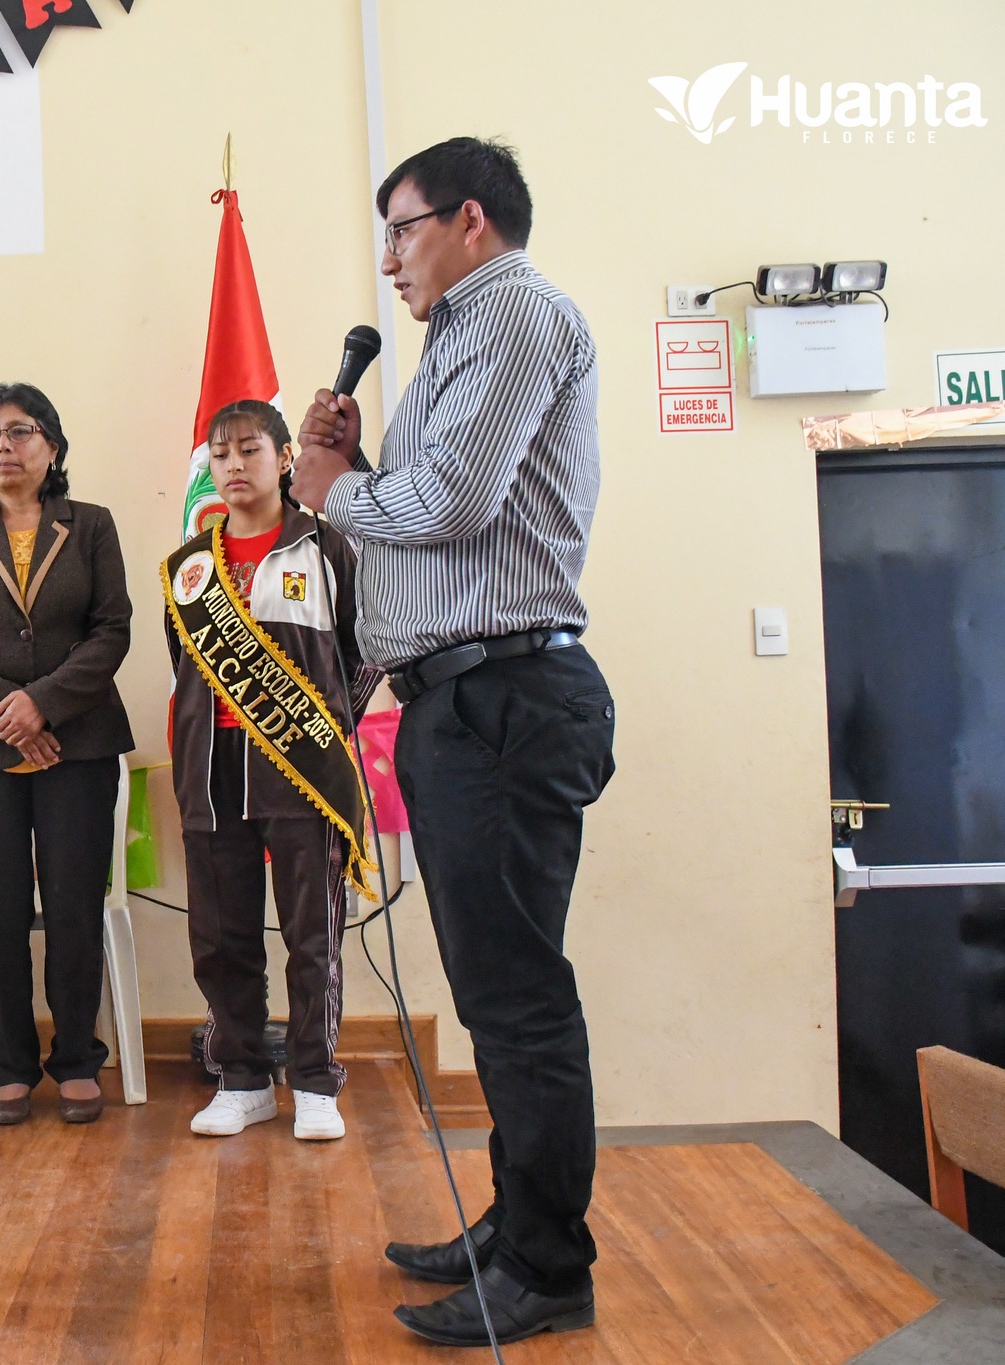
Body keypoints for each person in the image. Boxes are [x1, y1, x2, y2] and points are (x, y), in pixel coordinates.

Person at [291, 137, 615, 1348]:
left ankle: (548, 1265)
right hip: (462, 703)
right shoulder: (455, 340)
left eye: (401, 229)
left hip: (504, 703)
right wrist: (356, 468)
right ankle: (514, 1222)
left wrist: (330, 488)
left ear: (468, 220)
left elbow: (455, 506)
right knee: (493, 998)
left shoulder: (515, 314)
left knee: (519, 1003)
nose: (388, 259)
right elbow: (432, 524)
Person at [0, 382, 133, 1126]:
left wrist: (45, 701)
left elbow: (112, 629)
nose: (2, 446)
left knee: (74, 904)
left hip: (79, 743)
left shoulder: (93, 526)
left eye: (20, 431)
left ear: (54, 447)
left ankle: (76, 1058)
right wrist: (8, 712)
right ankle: (11, 1064)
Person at [164, 401, 370, 1144]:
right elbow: (184, 667)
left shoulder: (327, 549)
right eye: (220, 455)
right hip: (211, 770)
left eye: (250, 449)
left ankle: (315, 1080)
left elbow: (364, 652)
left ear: (285, 458)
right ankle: (243, 1077)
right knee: (221, 935)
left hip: (302, 768)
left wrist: (328, 731)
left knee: (311, 933)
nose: (234, 466)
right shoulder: (189, 569)